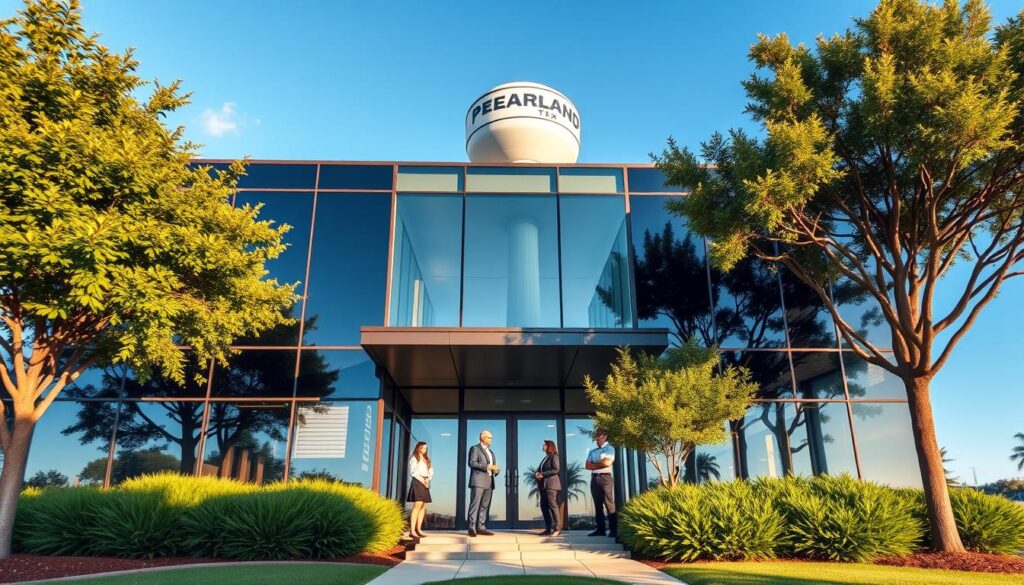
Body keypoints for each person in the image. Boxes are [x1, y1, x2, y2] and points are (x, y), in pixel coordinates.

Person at [467, 430, 498, 537]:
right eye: (489, 438)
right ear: (483, 438)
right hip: (478, 481)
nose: (491, 440)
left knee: (484, 506)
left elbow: (492, 467)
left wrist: (495, 470)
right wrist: (487, 467)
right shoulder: (475, 448)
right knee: (475, 505)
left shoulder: (491, 452)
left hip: (489, 482)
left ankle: (481, 527)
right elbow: (472, 463)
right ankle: (472, 528)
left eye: (491, 438)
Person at [585, 429, 616, 537]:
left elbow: (607, 462)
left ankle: (614, 530)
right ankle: (600, 530)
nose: (597, 439)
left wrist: (594, 464)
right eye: (597, 437)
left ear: (605, 437)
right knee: (598, 505)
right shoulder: (592, 451)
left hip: (605, 478)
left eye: (599, 436)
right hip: (594, 479)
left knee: (609, 504)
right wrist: (600, 463)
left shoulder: (610, 449)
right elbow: (587, 466)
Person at [534, 439, 562, 536]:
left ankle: (557, 528)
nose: (543, 446)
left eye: (544, 445)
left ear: (549, 446)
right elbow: (540, 469)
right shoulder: (546, 458)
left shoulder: (554, 456)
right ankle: (548, 528)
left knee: (552, 505)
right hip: (543, 486)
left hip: (551, 485)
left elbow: (556, 469)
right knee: (544, 506)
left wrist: (542, 474)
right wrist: (537, 473)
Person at [407, 441, 433, 539]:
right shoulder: (414, 458)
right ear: (418, 448)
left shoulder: (427, 459)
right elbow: (413, 472)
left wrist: (428, 479)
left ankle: (419, 529)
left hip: (425, 482)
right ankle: (412, 530)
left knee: (423, 506)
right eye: (422, 447)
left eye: (426, 448)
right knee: (417, 505)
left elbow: (431, 471)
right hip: (417, 482)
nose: (424, 449)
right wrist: (423, 480)